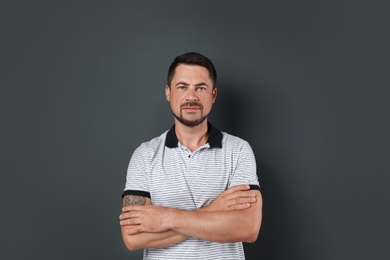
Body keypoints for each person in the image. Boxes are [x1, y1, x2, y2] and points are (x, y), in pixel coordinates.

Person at [119, 52, 262, 260]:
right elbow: (133, 237)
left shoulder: (238, 150)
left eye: (200, 88)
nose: (191, 97)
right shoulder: (145, 155)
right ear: (168, 92)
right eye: (182, 87)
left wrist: (165, 217)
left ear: (213, 95)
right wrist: (214, 210)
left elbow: (248, 228)